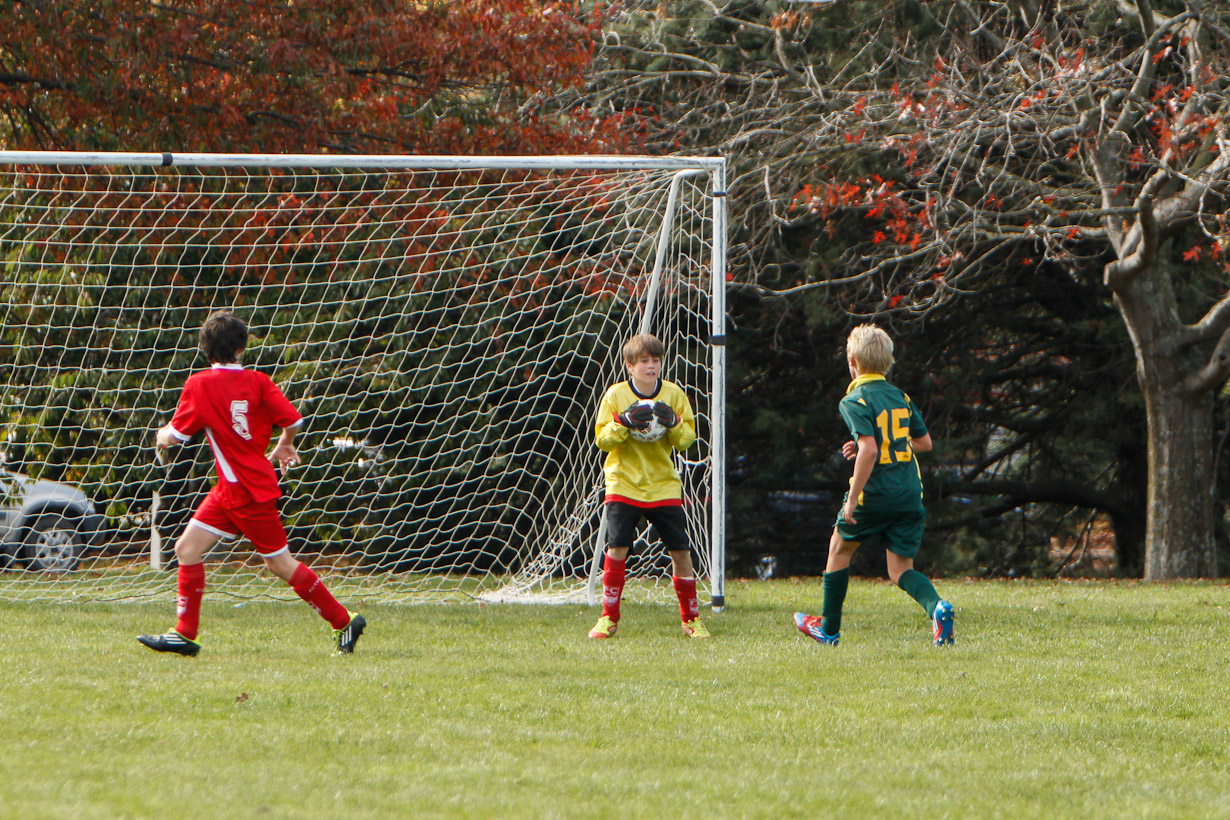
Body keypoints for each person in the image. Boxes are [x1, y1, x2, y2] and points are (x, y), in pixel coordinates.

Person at [137, 310, 366, 657]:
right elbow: (294, 420)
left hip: (247, 494)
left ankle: (344, 621)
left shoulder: (200, 384)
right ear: (241, 348)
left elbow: (176, 437)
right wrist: (285, 443)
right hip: (231, 491)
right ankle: (184, 634)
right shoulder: (258, 381)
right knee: (187, 549)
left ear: (204, 349)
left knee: (280, 564)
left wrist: (160, 434)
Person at [794, 324, 954, 647]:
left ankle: (828, 629)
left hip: (875, 493)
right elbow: (923, 443)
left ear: (852, 362)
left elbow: (868, 449)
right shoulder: (900, 397)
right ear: (888, 362)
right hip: (909, 493)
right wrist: (877, 446)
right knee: (900, 569)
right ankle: (937, 607)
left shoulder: (854, 400)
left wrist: (853, 498)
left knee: (839, 548)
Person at [589, 333, 708, 639]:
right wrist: (623, 422)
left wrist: (675, 424)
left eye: (656, 360)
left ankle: (691, 620)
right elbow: (602, 440)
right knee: (617, 548)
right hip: (623, 483)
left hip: (663, 485)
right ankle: (608, 618)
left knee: (681, 551)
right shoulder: (615, 395)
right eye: (644, 361)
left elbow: (687, 440)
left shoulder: (673, 394)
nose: (651, 366)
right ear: (630, 366)